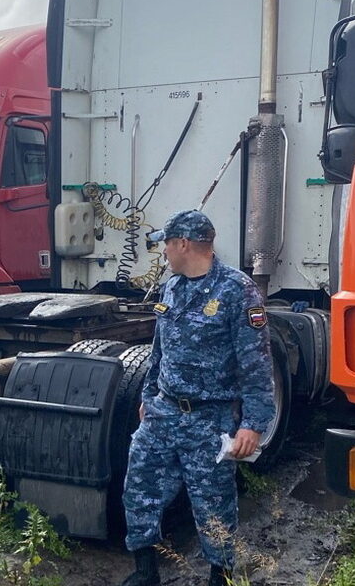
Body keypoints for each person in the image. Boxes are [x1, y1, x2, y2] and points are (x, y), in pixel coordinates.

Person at [121, 210, 274, 586]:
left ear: (183, 244)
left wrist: (253, 424)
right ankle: (145, 571)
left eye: (166, 244)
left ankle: (220, 576)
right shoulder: (171, 287)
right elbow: (159, 350)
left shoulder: (238, 291)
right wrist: (149, 393)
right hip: (163, 412)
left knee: (213, 504)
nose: (164, 253)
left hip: (210, 420)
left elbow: (256, 365)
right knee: (139, 488)